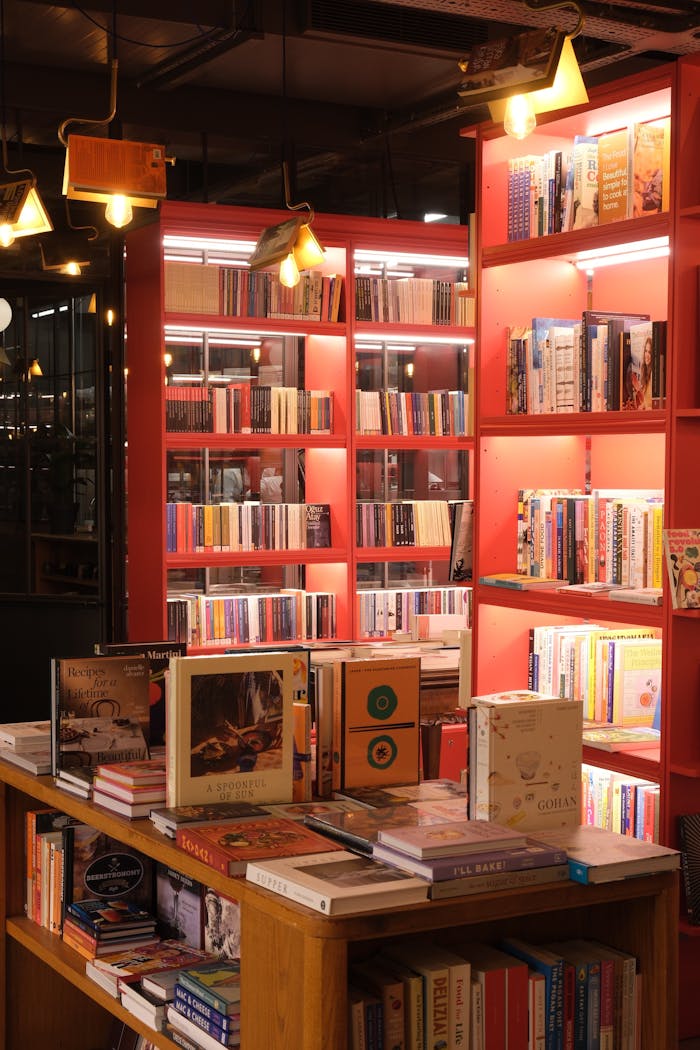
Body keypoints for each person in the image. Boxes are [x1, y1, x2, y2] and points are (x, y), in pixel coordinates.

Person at [631, 336, 653, 409]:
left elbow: (654, 404)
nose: (647, 355)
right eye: (646, 351)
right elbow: (647, 400)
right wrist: (643, 405)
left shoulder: (653, 374)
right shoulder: (645, 370)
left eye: (650, 352)